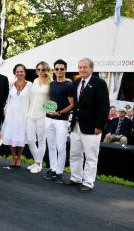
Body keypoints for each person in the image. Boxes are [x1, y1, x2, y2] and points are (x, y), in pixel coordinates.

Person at [66, 58, 110, 192]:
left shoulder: (100, 83)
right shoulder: (77, 82)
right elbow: (75, 105)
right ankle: (76, 177)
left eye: (84, 67)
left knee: (91, 156)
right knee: (75, 154)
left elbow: (105, 107)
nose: (82, 70)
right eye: (80, 67)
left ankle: (89, 182)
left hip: (92, 127)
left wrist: (99, 126)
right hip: (76, 125)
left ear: (91, 68)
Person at [43, 59, 74, 184]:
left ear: (65, 69)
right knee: (51, 145)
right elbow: (51, 101)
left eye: (62, 69)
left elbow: (72, 104)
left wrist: (59, 113)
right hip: (48, 118)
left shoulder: (69, 85)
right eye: (57, 69)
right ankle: (53, 169)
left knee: (61, 147)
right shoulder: (52, 84)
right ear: (54, 70)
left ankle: (60, 172)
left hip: (61, 120)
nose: (59, 71)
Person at [1, 64, 32, 168]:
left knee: (21, 136)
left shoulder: (30, 85)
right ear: (15, 73)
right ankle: (13, 158)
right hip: (11, 114)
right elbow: (7, 99)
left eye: (21, 71)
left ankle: (19, 158)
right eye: (17, 71)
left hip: (23, 115)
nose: (19, 73)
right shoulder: (10, 84)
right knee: (11, 135)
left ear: (25, 72)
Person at [26, 61, 52, 173]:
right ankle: (38, 161)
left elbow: (52, 100)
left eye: (43, 69)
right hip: (31, 115)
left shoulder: (51, 83)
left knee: (41, 140)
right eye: (39, 69)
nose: (41, 71)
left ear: (47, 70)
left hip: (43, 115)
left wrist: (50, 111)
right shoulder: (35, 81)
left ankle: (38, 164)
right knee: (30, 140)